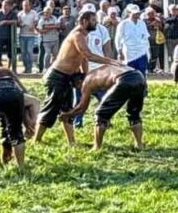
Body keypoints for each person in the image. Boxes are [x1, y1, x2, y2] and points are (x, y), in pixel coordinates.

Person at [33, 9, 119, 146]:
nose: (95, 23)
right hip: (57, 76)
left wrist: (85, 76)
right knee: (51, 108)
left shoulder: (86, 36)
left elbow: (84, 59)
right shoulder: (77, 35)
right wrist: (111, 61)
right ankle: (36, 140)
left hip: (68, 76)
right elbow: (89, 55)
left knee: (67, 110)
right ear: (84, 22)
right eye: (93, 20)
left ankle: (71, 142)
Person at [62, 62, 148, 150]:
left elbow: (82, 108)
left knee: (100, 115)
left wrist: (67, 115)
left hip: (123, 79)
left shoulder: (86, 82)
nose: (80, 89)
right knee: (133, 113)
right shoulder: (95, 73)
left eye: (77, 87)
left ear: (79, 81)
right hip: (138, 76)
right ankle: (139, 145)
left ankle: (96, 148)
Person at [114, 4, 151, 76]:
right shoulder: (123, 24)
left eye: (137, 13)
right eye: (134, 13)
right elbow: (117, 39)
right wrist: (119, 51)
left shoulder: (142, 23)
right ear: (128, 13)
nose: (136, 15)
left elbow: (146, 38)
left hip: (142, 53)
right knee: (130, 75)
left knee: (142, 75)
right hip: (129, 54)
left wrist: (148, 51)